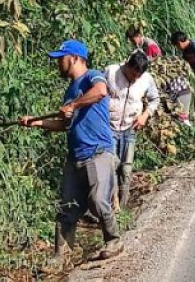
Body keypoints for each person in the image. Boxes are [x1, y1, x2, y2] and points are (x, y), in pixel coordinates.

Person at [19, 40, 122, 261]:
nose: (58, 63)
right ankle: (60, 257)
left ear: (74, 58)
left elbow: (101, 92)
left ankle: (113, 240)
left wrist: (73, 105)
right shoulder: (70, 90)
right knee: (67, 209)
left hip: (98, 151)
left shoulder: (92, 77)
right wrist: (35, 123)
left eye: (61, 58)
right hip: (75, 156)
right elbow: (65, 125)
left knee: (97, 200)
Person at [104, 51, 160, 209]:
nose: (134, 78)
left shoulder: (146, 79)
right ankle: (112, 205)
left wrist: (145, 115)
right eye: (133, 73)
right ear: (127, 66)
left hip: (130, 127)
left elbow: (154, 99)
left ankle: (123, 205)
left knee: (126, 168)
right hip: (109, 126)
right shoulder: (111, 72)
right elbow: (97, 90)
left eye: (138, 75)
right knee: (111, 165)